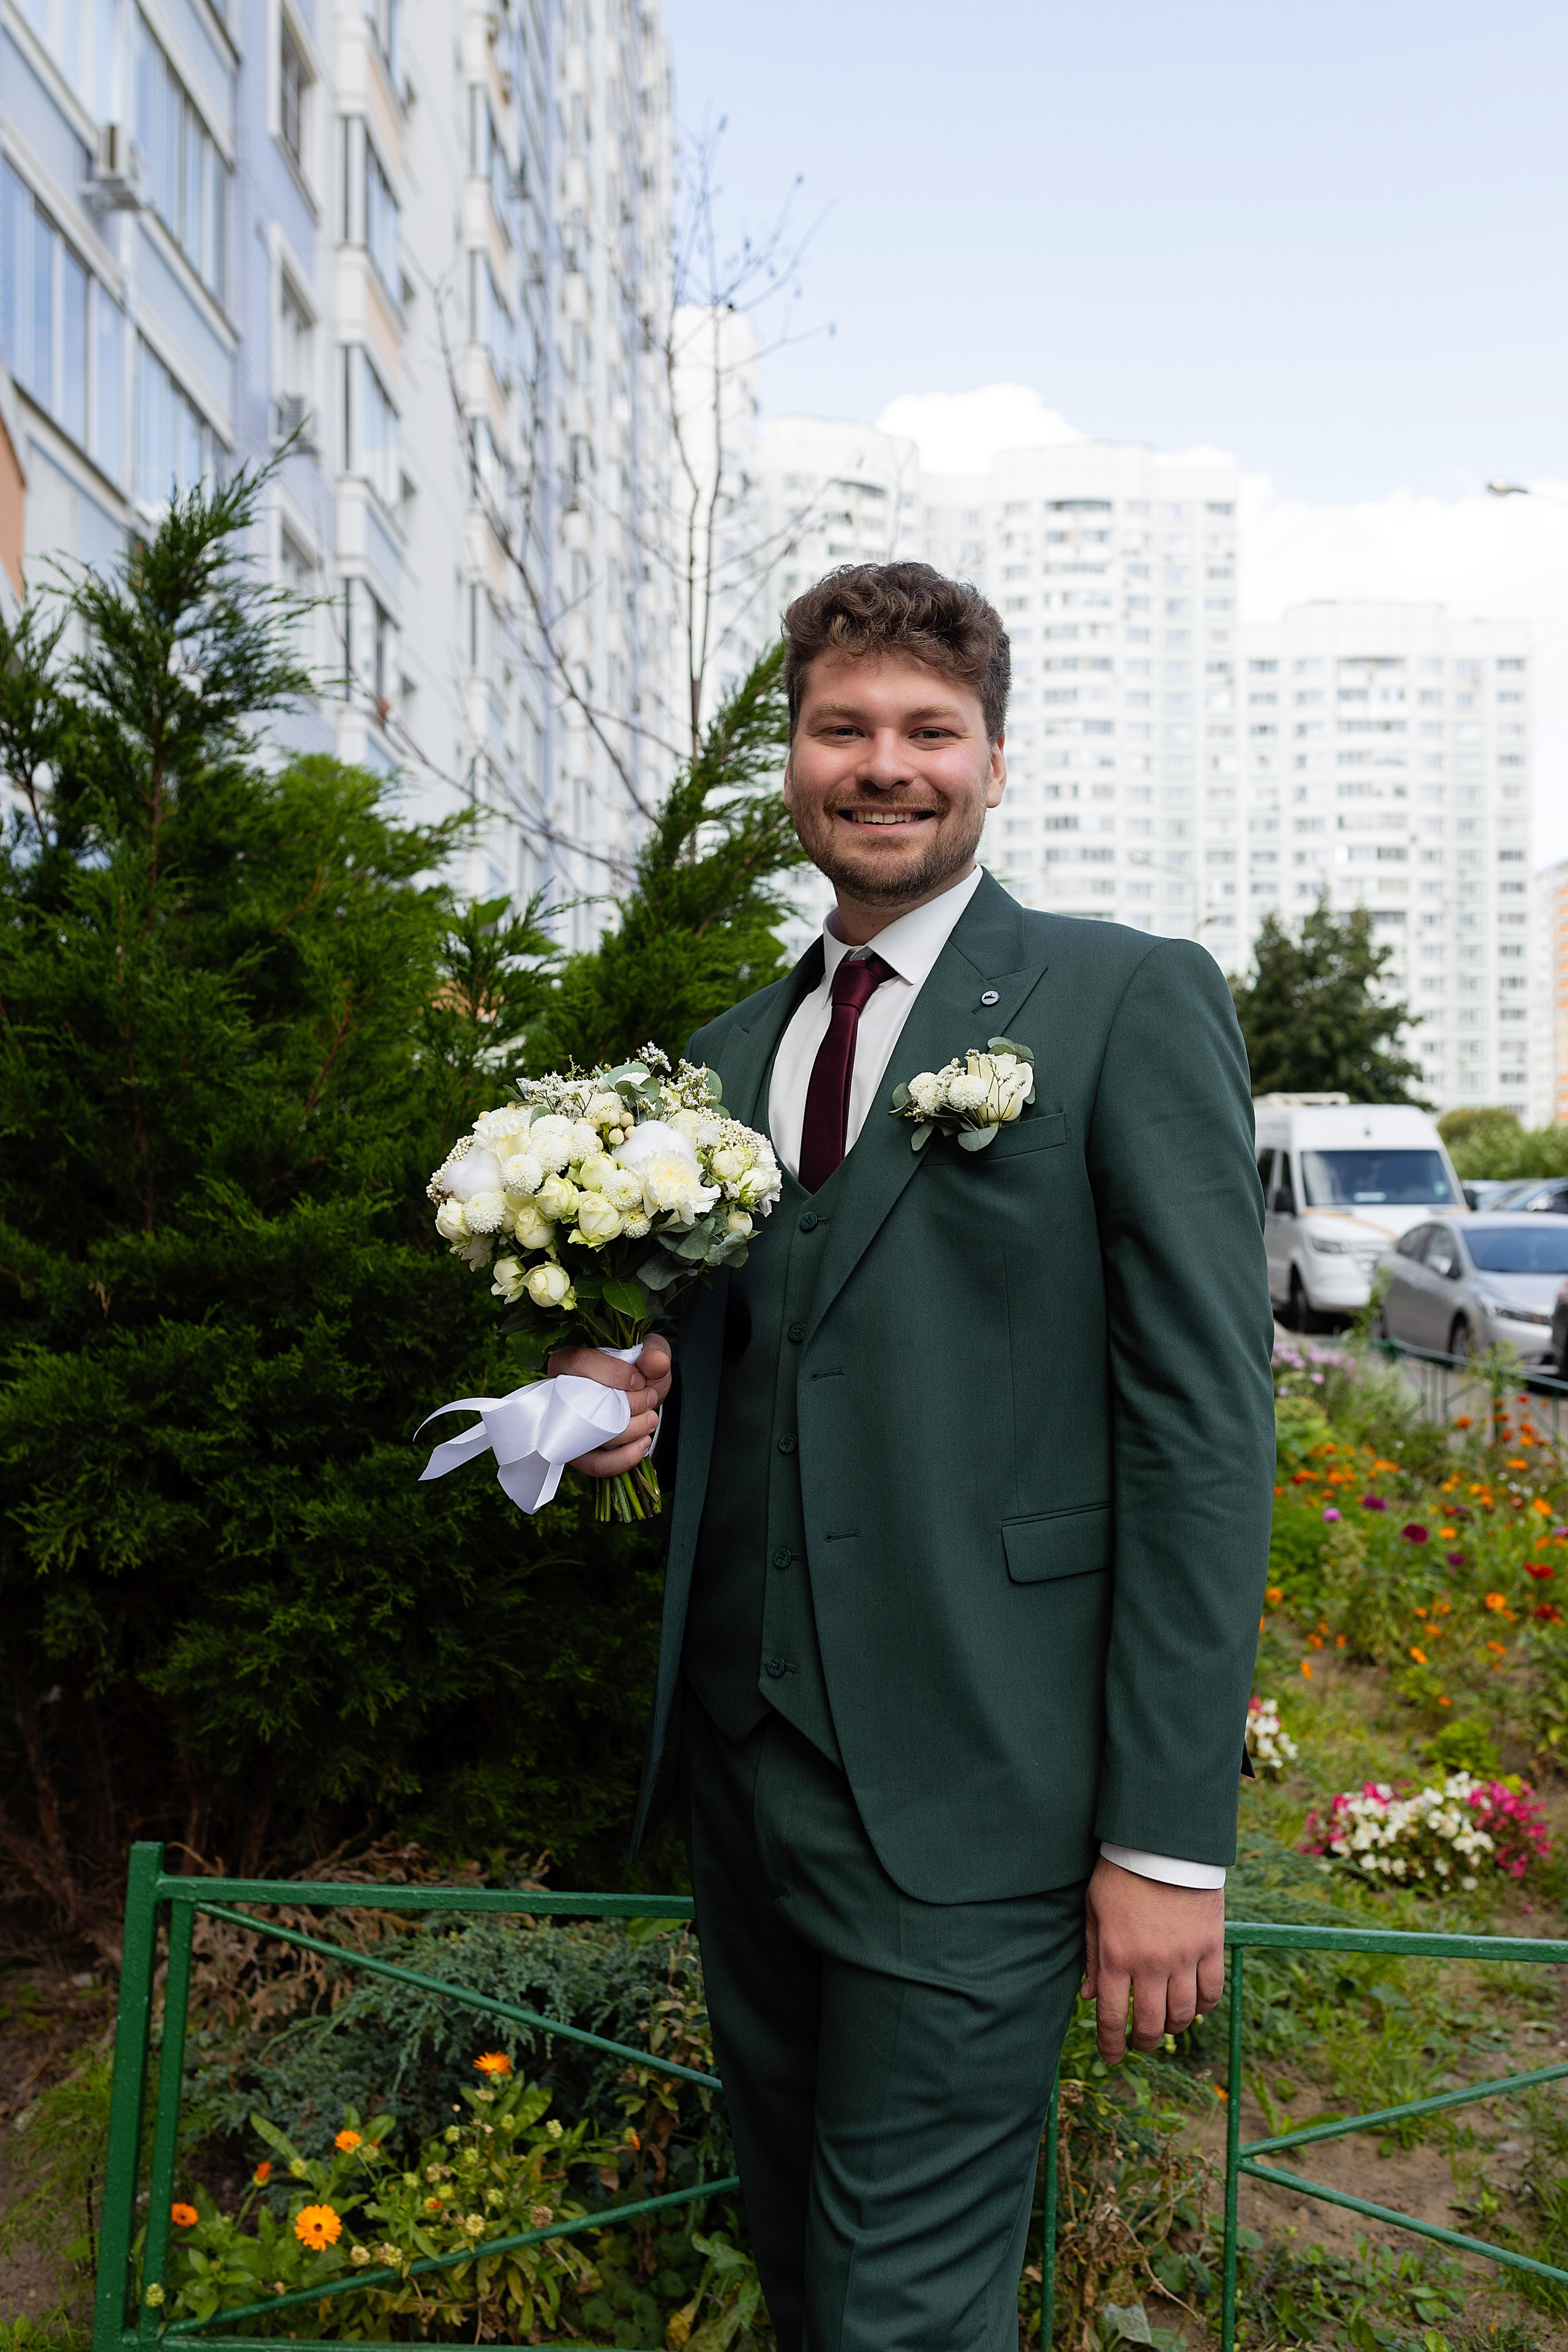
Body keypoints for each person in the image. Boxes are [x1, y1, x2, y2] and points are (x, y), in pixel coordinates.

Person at [551, 563, 1276, 2352]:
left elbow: (1205, 1427)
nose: (885, 765)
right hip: (748, 1782)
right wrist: (605, 1395)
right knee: (809, 2277)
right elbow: (718, 1353)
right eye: (841, 728)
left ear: (995, 763)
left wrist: (1169, 1843)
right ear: (792, 762)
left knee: (904, 2313)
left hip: (984, 1793)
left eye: (927, 732)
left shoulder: (1122, 1000)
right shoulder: (725, 1057)